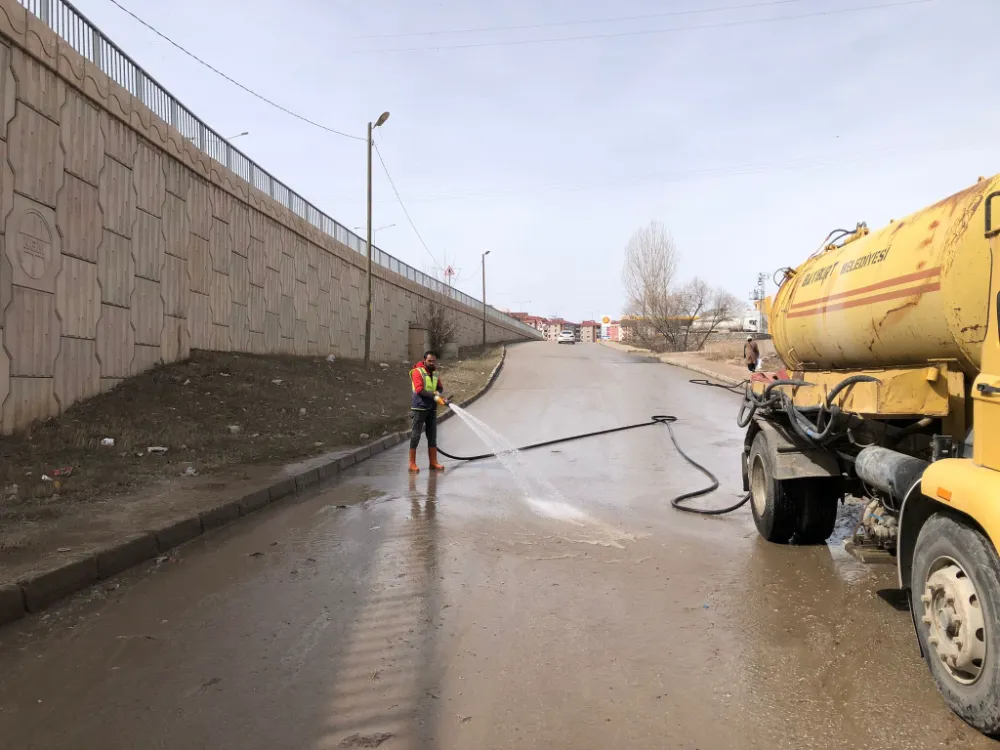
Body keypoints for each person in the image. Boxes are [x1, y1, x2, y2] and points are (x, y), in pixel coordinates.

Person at [409, 350, 449, 473]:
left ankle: (433, 462)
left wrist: (438, 393)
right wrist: (435, 397)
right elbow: (420, 390)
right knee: (416, 435)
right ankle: (412, 464)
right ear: (424, 360)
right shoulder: (417, 372)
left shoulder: (435, 372)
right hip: (419, 408)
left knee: (432, 436)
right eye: (429, 361)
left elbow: (440, 387)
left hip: (431, 408)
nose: (432, 363)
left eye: (433, 361)